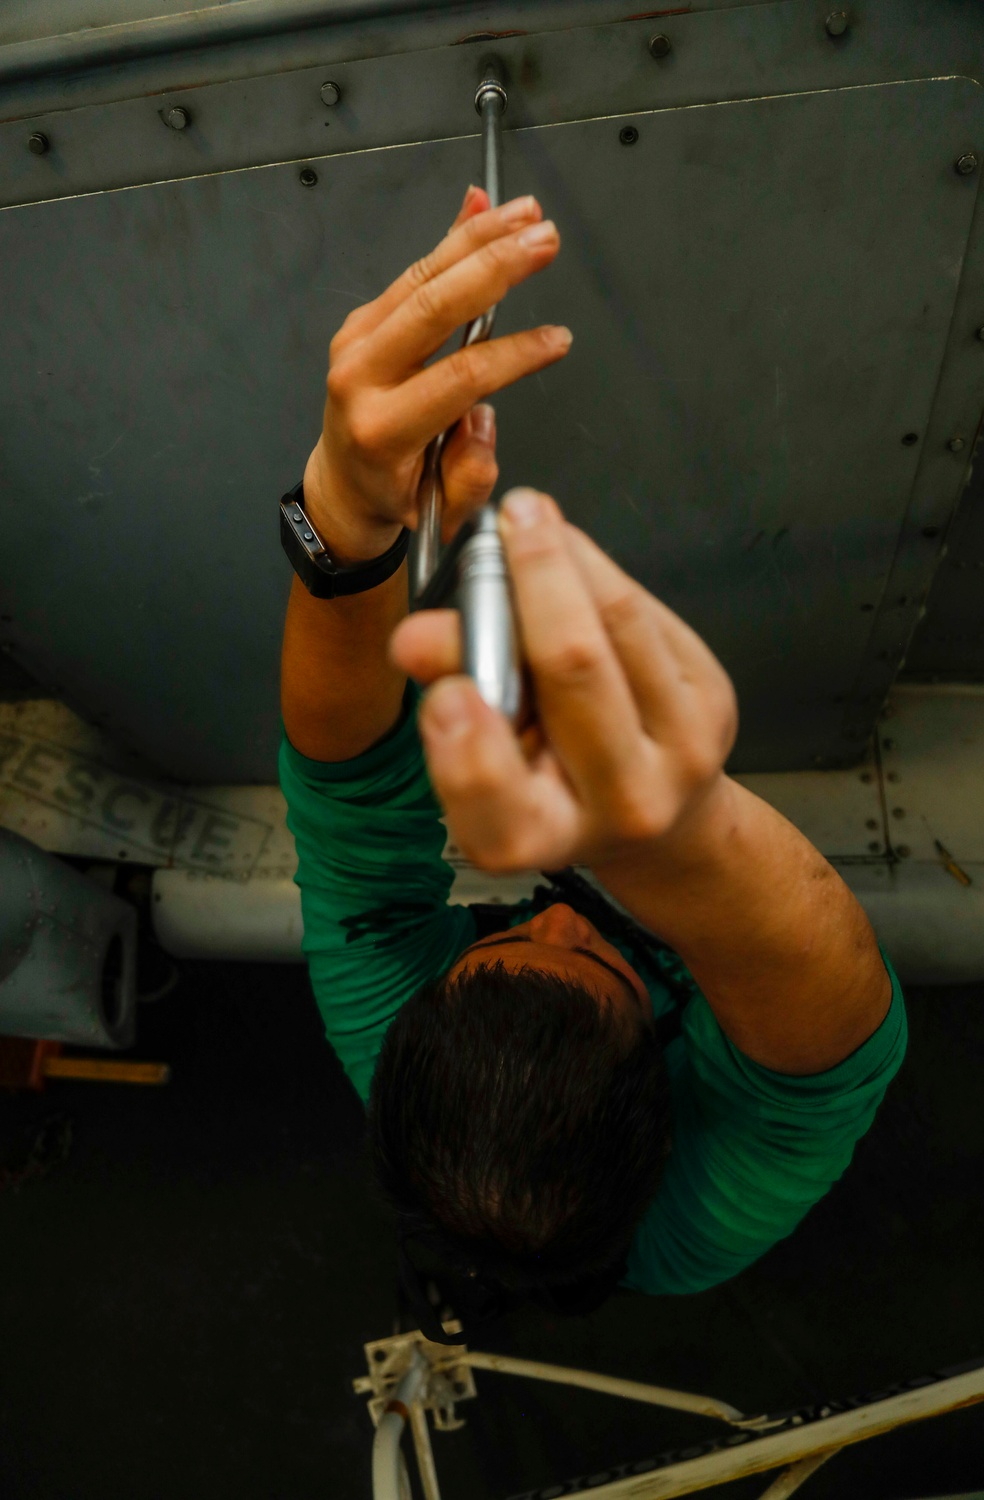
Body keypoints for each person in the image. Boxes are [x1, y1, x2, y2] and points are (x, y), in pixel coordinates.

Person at [278, 186, 905, 1327]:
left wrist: (344, 523)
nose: (564, 915)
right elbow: (831, 994)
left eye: (515, 938)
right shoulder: (718, 1199)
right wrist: (666, 837)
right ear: (672, 1100)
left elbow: (346, 802)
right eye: (600, 967)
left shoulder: (394, 1057)